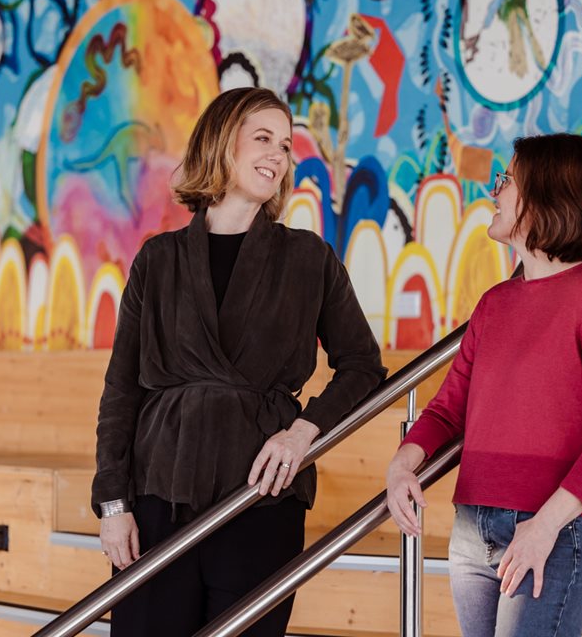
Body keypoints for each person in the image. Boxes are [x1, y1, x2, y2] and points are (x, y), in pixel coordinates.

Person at [92, 86, 386, 637]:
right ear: (222, 143)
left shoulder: (308, 259)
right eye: (263, 139)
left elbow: (364, 367)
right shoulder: (157, 260)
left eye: (285, 144)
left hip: (261, 496)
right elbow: (121, 391)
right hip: (159, 496)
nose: (278, 154)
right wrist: (112, 502)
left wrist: (304, 433)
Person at [386, 133, 582, 637]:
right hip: (473, 527)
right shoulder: (494, 304)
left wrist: (545, 525)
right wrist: (402, 463)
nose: (494, 190)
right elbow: (447, 411)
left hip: (558, 530)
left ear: (548, 194)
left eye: (507, 180)